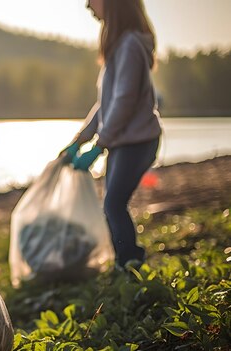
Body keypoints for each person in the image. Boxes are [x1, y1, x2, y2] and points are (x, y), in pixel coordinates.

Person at [61, 0, 162, 269]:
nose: (87, 6)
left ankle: (129, 263)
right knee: (112, 205)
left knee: (113, 204)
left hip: (138, 142)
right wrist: (79, 141)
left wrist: (99, 146)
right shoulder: (120, 46)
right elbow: (105, 105)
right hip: (124, 142)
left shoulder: (130, 46)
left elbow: (124, 101)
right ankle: (125, 262)